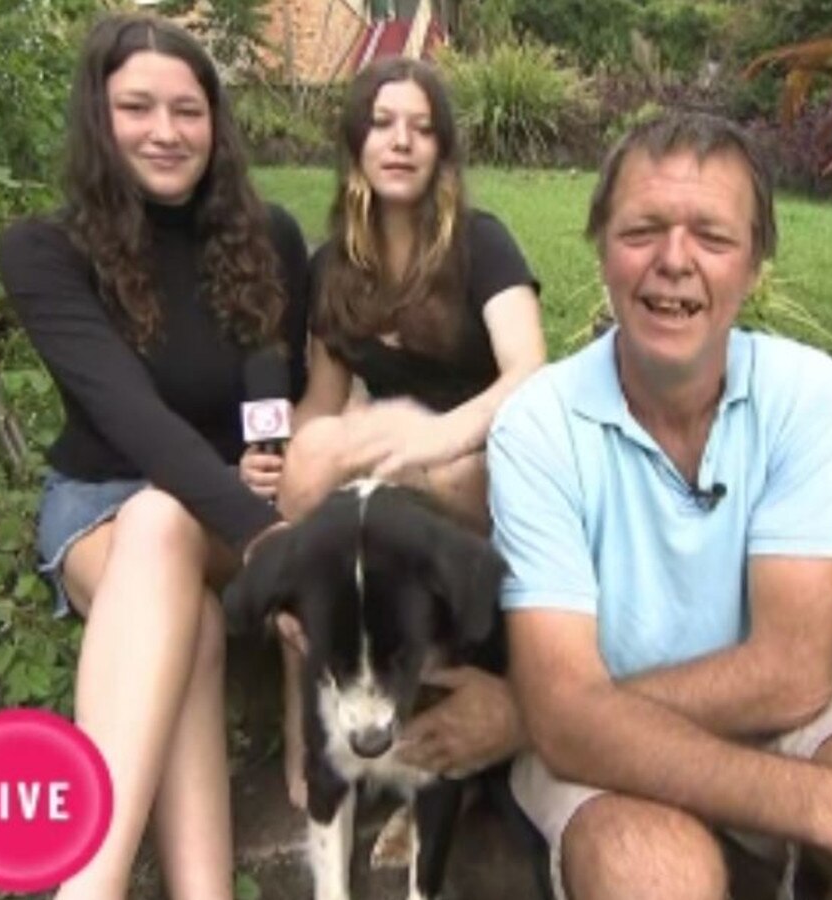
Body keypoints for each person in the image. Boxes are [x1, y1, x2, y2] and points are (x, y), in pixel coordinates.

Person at [488, 111, 832, 900]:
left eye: (712, 236)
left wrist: (552, 714)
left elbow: (795, 673)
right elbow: (568, 722)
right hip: (590, 757)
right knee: (651, 869)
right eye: (643, 230)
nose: (674, 261)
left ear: (756, 265)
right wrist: (824, 807)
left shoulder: (803, 391)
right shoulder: (538, 426)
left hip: (709, 714)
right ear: (600, 246)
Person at [0, 14, 307, 900]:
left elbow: (274, 380)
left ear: (216, 123)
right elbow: (126, 416)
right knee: (191, 611)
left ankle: (81, 883)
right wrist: (264, 536)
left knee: (171, 519)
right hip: (100, 508)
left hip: (221, 510)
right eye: (137, 107)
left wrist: (269, 464)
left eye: (187, 109)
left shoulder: (267, 236)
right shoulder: (43, 250)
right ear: (100, 116)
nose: (166, 131)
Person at [240, 57, 545, 808]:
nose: (401, 142)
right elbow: (323, 400)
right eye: (382, 124)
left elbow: (529, 375)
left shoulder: (482, 243)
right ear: (356, 145)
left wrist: (433, 440)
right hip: (400, 464)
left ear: (442, 149)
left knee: (394, 464)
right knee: (312, 459)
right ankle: (306, 698)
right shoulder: (335, 265)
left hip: (486, 455)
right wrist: (274, 464)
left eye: (422, 127)